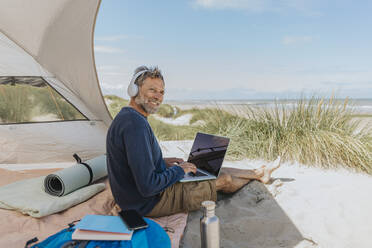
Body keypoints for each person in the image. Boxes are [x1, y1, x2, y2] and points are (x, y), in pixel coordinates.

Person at [106, 66, 281, 217]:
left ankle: (258, 173)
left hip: (137, 197)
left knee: (206, 169)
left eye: (161, 92)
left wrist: (162, 162)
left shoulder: (130, 117)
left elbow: (136, 163)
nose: (158, 96)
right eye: (152, 90)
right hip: (148, 203)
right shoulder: (135, 124)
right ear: (134, 90)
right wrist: (178, 171)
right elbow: (148, 187)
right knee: (225, 179)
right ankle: (258, 177)